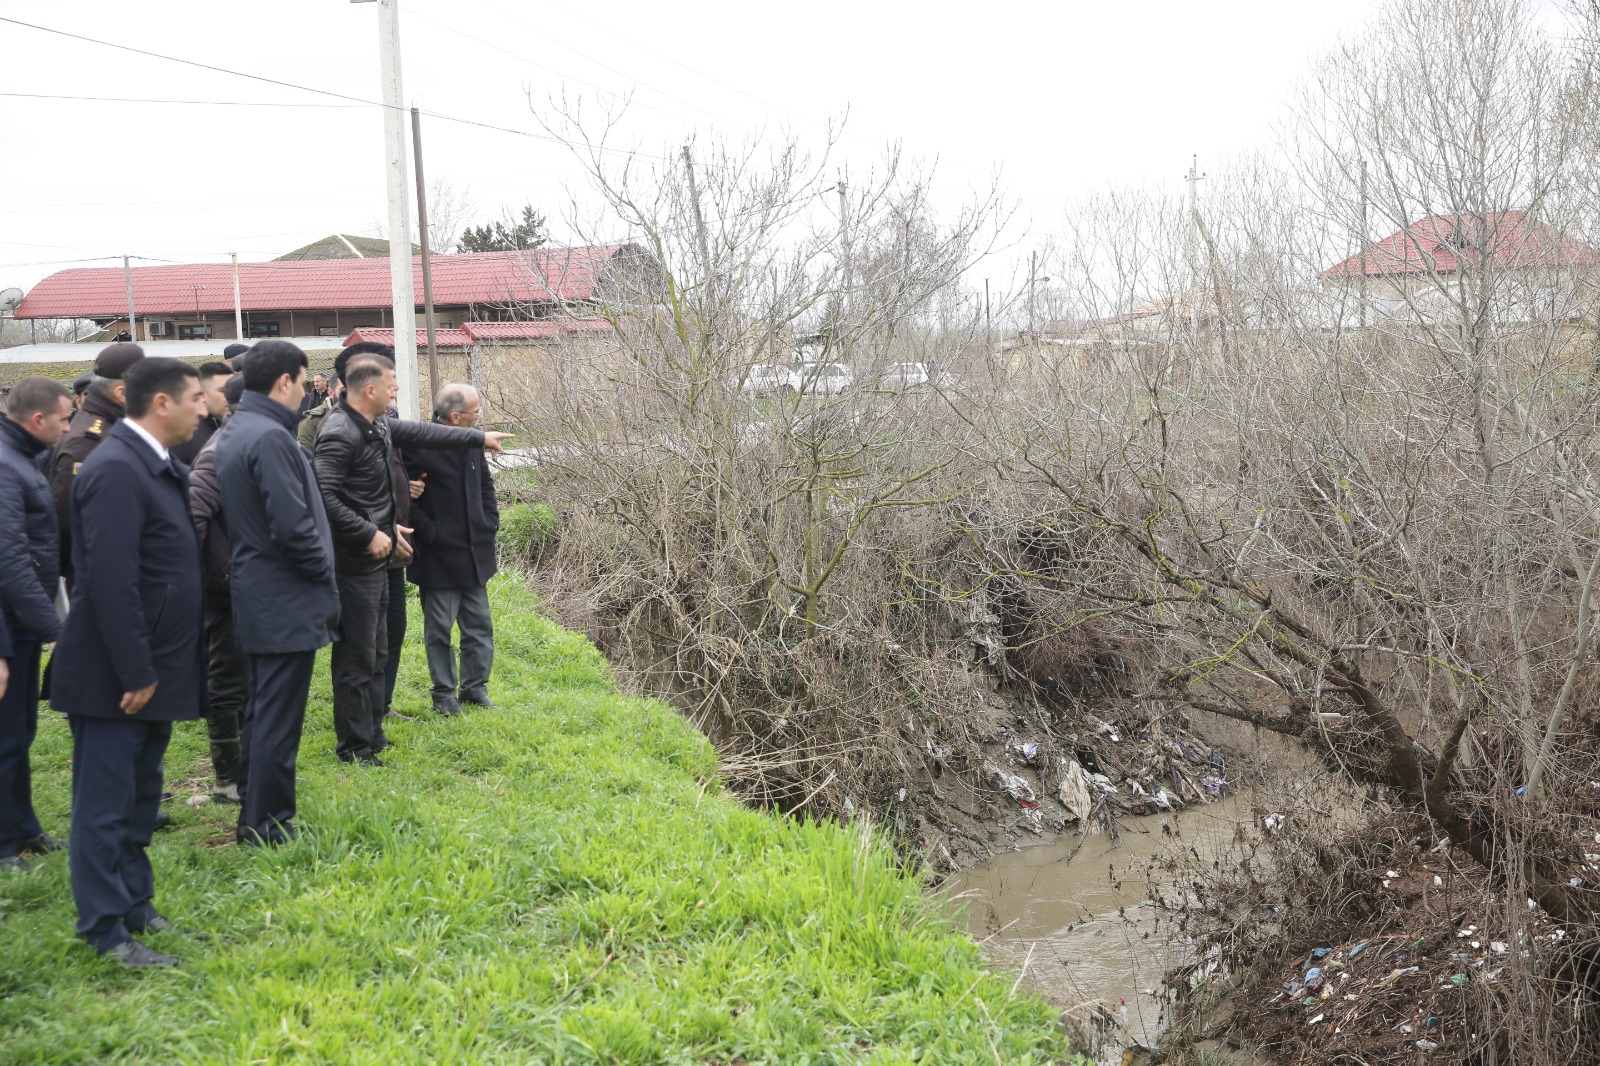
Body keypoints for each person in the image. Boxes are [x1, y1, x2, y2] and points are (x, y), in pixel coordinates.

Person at [53, 357, 207, 968]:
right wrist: (135, 670)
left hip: (153, 663)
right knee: (105, 803)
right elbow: (109, 583)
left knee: (141, 795)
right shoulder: (117, 469)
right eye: (195, 397)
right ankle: (105, 929)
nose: (204, 406)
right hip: (116, 675)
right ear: (161, 404)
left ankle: (136, 902)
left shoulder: (154, 463)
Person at [313, 355, 509, 765]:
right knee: (357, 655)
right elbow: (324, 496)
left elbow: (426, 432)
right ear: (370, 390)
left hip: (381, 556)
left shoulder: (377, 423)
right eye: (393, 384)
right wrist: (370, 531)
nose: (398, 390)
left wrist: (479, 438)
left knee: (378, 648)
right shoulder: (339, 432)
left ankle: (373, 735)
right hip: (355, 560)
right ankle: (354, 748)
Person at [214, 341, 339, 846]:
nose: (306, 393)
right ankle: (267, 825)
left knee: (263, 709)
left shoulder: (241, 427)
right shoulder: (269, 437)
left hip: (261, 590)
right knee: (277, 718)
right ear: (284, 382)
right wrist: (324, 571)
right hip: (283, 595)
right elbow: (293, 527)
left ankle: (256, 808)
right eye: (305, 383)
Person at [0, 378, 74, 873]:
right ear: (37, 420)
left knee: (20, 731)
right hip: (9, 626)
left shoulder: (22, 457)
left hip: (20, 625)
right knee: (4, 736)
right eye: (66, 418)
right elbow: (9, 560)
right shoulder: (6, 468)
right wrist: (54, 627)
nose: (71, 427)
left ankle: (23, 826)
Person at [407, 385, 501, 716]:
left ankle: (475, 688)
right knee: (439, 631)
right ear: (456, 417)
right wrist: (431, 533)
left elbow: (485, 486)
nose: (480, 420)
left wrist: (489, 521)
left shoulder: (472, 441)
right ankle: (444, 694)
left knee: (479, 627)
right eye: (476, 414)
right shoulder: (419, 443)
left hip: (476, 553)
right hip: (438, 557)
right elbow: (403, 496)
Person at [185, 374, 248, 804]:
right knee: (227, 679)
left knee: (250, 680)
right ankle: (228, 782)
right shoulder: (218, 453)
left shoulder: (245, 445)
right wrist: (218, 572)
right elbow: (194, 515)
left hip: (248, 588)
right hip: (225, 591)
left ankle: (251, 772)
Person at [49, 342, 145, 590]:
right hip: (101, 576)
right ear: (121, 392)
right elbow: (69, 516)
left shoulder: (111, 425)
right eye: (146, 386)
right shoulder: (88, 441)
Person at [171, 361, 233, 467]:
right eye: (223, 391)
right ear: (202, 394)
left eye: (233, 390)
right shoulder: (184, 435)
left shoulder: (236, 424)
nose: (231, 396)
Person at [296, 372, 342, 452]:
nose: (315, 384)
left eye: (317, 381)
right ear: (331, 392)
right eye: (314, 382)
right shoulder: (311, 396)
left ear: (325, 382)